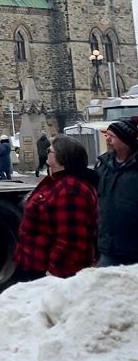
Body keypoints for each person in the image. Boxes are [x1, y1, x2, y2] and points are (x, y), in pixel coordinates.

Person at [13, 135, 97, 279]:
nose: (47, 153)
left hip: (48, 273)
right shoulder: (57, 181)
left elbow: (71, 239)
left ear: (63, 157)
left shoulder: (71, 189)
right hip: (34, 265)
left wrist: (54, 273)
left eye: (50, 151)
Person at [95, 118, 138, 266]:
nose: (107, 139)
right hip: (109, 247)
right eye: (107, 135)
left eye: (111, 136)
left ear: (125, 140)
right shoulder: (104, 165)